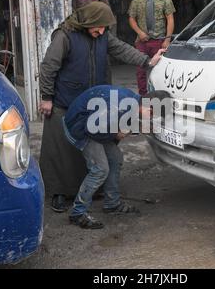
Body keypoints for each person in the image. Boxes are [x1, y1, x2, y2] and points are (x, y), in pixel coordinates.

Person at [38, 1, 165, 213]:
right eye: (98, 26)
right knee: (60, 150)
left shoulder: (103, 35)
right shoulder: (65, 36)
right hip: (63, 100)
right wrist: (46, 97)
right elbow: (49, 66)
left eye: (104, 27)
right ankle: (59, 193)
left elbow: (123, 50)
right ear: (88, 21)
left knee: (92, 148)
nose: (101, 31)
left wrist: (147, 61)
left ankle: (89, 189)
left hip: (92, 102)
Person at [63, 85, 170, 229]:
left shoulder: (133, 101)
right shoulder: (120, 107)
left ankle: (112, 204)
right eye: (152, 117)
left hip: (94, 125)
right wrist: (115, 134)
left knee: (116, 158)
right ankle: (77, 213)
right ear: (149, 109)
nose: (150, 120)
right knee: (100, 169)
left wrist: (132, 129)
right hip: (79, 127)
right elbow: (92, 130)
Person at [128, 0, 176, 95]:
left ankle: (160, 96)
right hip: (142, 41)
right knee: (140, 70)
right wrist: (139, 32)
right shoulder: (137, 0)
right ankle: (143, 96)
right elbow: (131, 19)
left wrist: (167, 39)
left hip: (159, 41)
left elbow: (170, 19)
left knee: (160, 69)